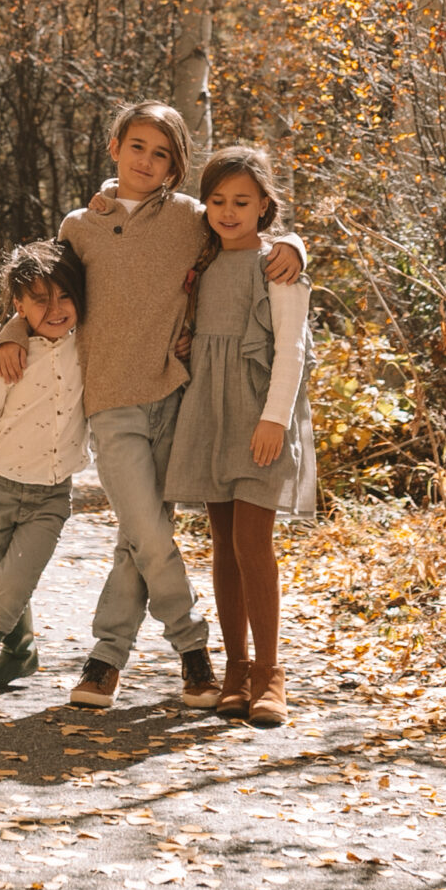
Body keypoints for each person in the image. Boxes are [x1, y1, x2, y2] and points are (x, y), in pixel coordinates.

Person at [0, 100, 306, 712]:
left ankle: (105, 664)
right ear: (115, 148)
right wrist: (11, 328)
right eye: (137, 146)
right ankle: (194, 651)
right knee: (146, 531)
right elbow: (49, 297)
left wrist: (295, 242)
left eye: (162, 153)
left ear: (176, 166)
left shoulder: (193, 218)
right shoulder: (78, 226)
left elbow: (250, 233)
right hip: (111, 400)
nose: (147, 160)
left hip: (179, 397)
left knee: (138, 537)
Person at [164, 144, 316, 728]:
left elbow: (292, 350)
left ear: (264, 207)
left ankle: (270, 674)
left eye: (242, 201)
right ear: (204, 205)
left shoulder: (276, 265)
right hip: (209, 413)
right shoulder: (201, 265)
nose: (229, 211)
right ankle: (234, 670)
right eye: (218, 200)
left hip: (259, 418)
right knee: (223, 546)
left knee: (254, 545)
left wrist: (274, 419)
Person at [0, 238, 89, 701]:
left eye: (65, 296)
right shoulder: (8, 355)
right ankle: (23, 648)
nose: (55, 308)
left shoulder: (89, 346)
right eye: (40, 300)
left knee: (13, 583)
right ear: (19, 305)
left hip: (51, 495)